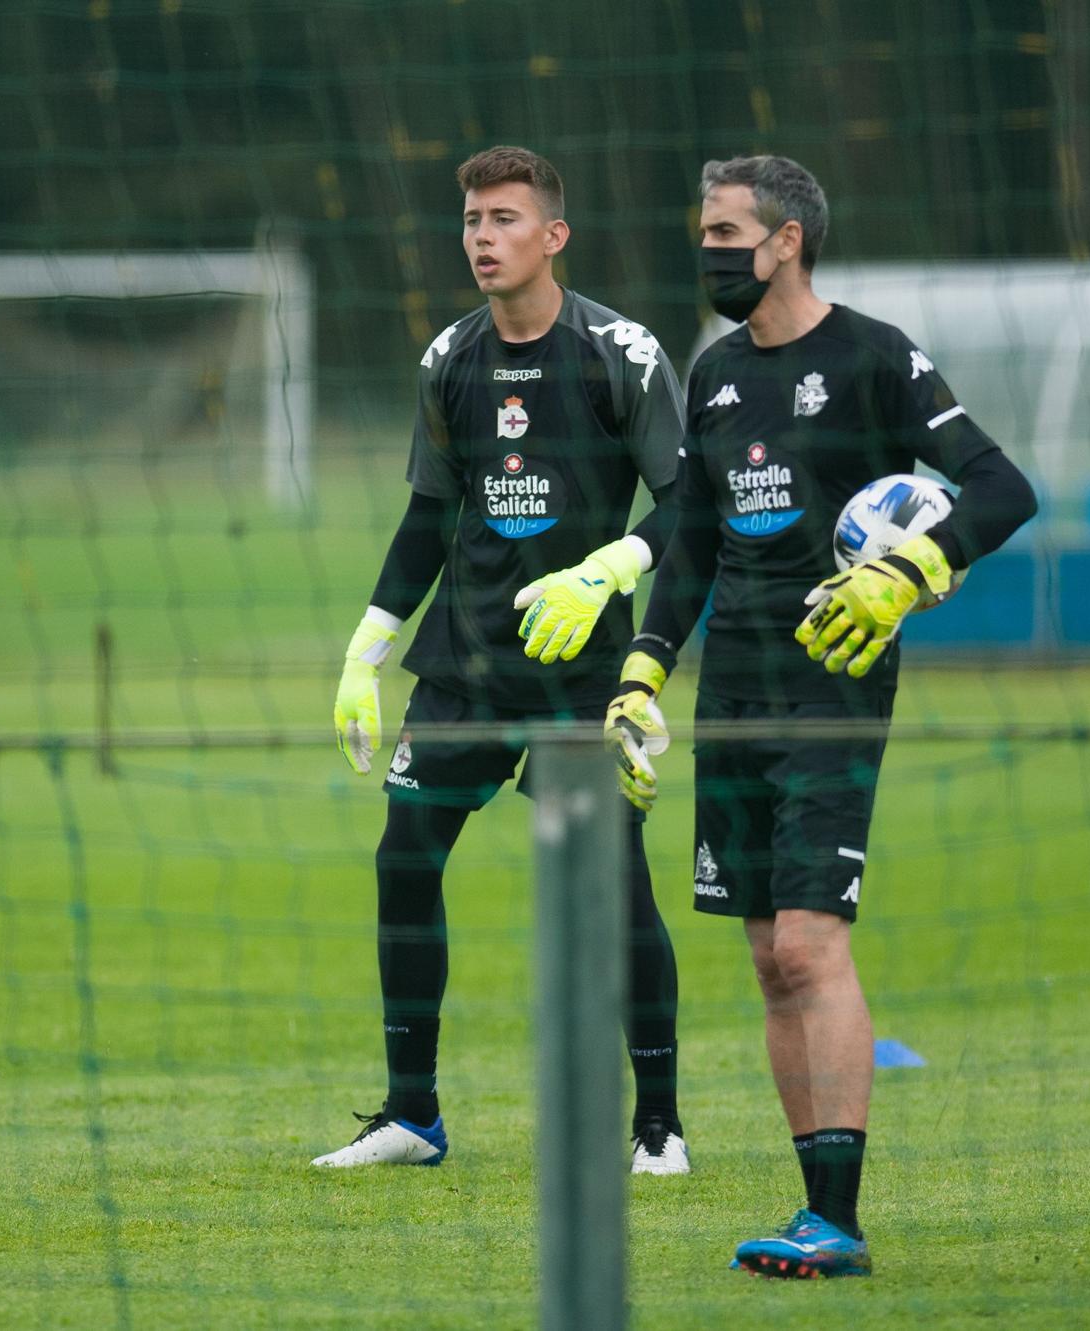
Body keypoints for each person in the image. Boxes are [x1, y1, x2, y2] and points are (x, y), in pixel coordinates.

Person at [604, 155, 1037, 1274]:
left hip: (831, 686)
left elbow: (1002, 488)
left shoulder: (874, 357)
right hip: (731, 696)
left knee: (808, 941)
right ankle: (816, 1211)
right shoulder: (712, 375)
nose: (708, 253)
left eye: (725, 233)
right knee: (765, 957)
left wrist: (911, 569)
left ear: (786, 239)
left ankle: (837, 1219)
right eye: (703, 233)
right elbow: (691, 541)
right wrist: (643, 670)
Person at [317, 145, 691, 1175]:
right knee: (403, 858)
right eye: (472, 220)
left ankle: (659, 1123)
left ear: (554, 235)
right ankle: (412, 1115)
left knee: (614, 884)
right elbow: (426, 519)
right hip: (466, 666)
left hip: (582, 669)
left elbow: (687, 504)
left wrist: (607, 571)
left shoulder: (620, 353)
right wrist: (365, 651)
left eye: (504, 219)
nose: (482, 238)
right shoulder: (449, 358)